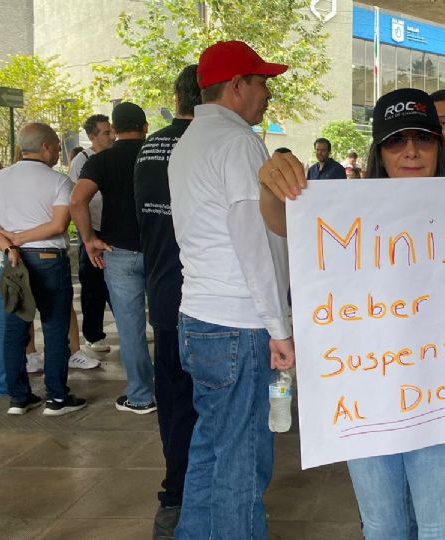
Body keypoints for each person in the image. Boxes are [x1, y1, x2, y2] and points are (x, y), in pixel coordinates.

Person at [258, 88, 445, 539]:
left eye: (424, 137)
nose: (412, 150)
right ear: (379, 151)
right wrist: (270, 180)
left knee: (439, 529)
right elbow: (282, 220)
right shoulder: (345, 210)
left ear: (441, 145)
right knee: (382, 527)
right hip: (366, 395)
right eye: (397, 141)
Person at [167, 40, 294, 539]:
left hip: (197, 318)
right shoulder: (240, 143)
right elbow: (254, 240)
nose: (266, 94)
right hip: (240, 323)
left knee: (210, 449)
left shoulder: (190, 142)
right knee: (242, 462)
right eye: (261, 82)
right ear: (238, 86)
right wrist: (279, 328)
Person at [133, 64, 201, 539]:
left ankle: (173, 497)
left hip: (161, 288)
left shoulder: (148, 148)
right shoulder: (211, 145)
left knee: (173, 398)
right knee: (212, 406)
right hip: (202, 295)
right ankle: (195, 502)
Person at [72, 102, 157, 414]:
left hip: (118, 253)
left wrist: (89, 239)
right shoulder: (158, 155)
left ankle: (141, 395)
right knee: (167, 323)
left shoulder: (102, 159)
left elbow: (77, 199)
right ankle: (176, 390)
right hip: (161, 250)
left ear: (115, 129)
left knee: (131, 328)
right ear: (145, 126)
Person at [0, 123, 87, 416]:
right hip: (48, 259)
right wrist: (23, 238)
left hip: (12, 261)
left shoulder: (1, 178)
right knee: (54, 327)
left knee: (14, 331)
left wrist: (12, 245)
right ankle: (57, 398)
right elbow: (59, 225)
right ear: (47, 147)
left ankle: (19, 398)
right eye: (56, 146)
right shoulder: (58, 181)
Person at [68, 114, 115, 357]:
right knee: (93, 286)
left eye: (111, 131)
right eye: (106, 133)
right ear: (92, 137)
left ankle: (129, 329)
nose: (112, 136)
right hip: (92, 229)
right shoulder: (82, 160)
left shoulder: (116, 155)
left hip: (114, 228)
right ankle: (93, 335)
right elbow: (74, 197)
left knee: (118, 283)